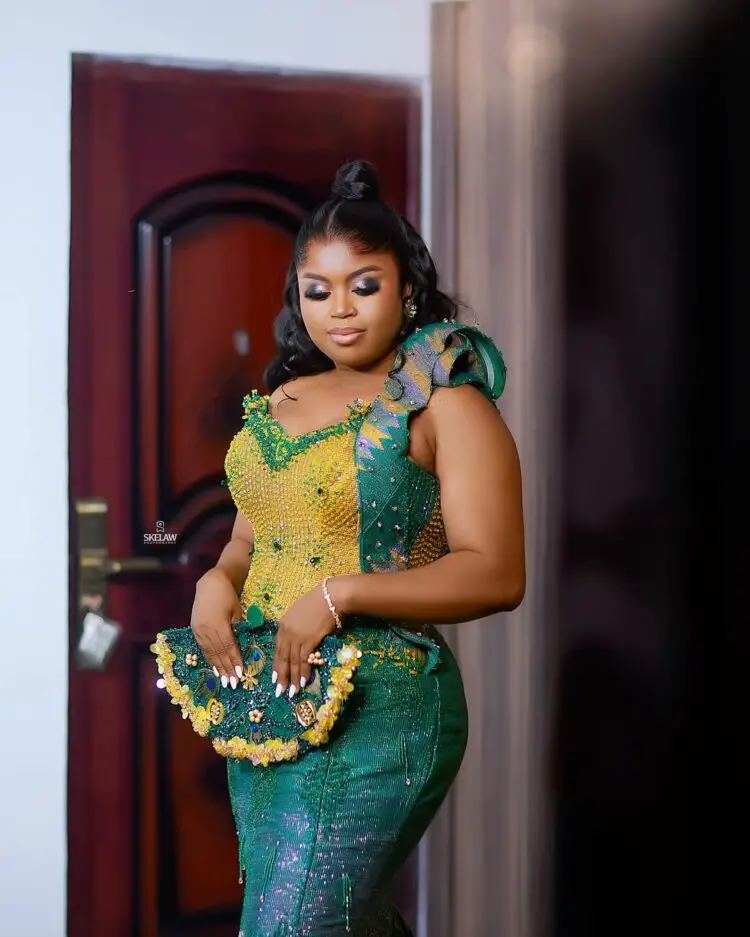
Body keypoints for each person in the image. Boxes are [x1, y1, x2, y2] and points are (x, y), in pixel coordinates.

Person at [189, 160, 525, 936]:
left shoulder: (446, 399)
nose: (338, 310)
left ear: (406, 288)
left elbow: (497, 571)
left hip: (383, 702)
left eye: (363, 285)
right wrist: (217, 576)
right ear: (297, 296)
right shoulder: (282, 399)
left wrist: (340, 596)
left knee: (296, 921)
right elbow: (254, 529)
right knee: (333, 918)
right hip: (268, 697)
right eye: (318, 289)